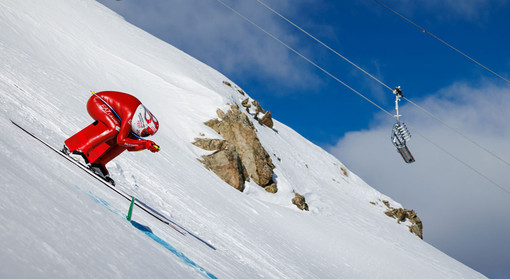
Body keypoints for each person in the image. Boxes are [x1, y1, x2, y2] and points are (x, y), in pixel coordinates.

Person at [63, 91, 160, 185]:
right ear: (143, 122)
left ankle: (98, 163)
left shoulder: (136, 118)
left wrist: (146, 146)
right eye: (146, 133)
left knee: (128, 137)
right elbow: (121, 140)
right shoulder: (131, 115)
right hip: (97, 101)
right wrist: (144, 143)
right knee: (115, 127)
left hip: (106, 107)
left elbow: (129, 146)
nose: (144, 135)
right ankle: (77, 150)